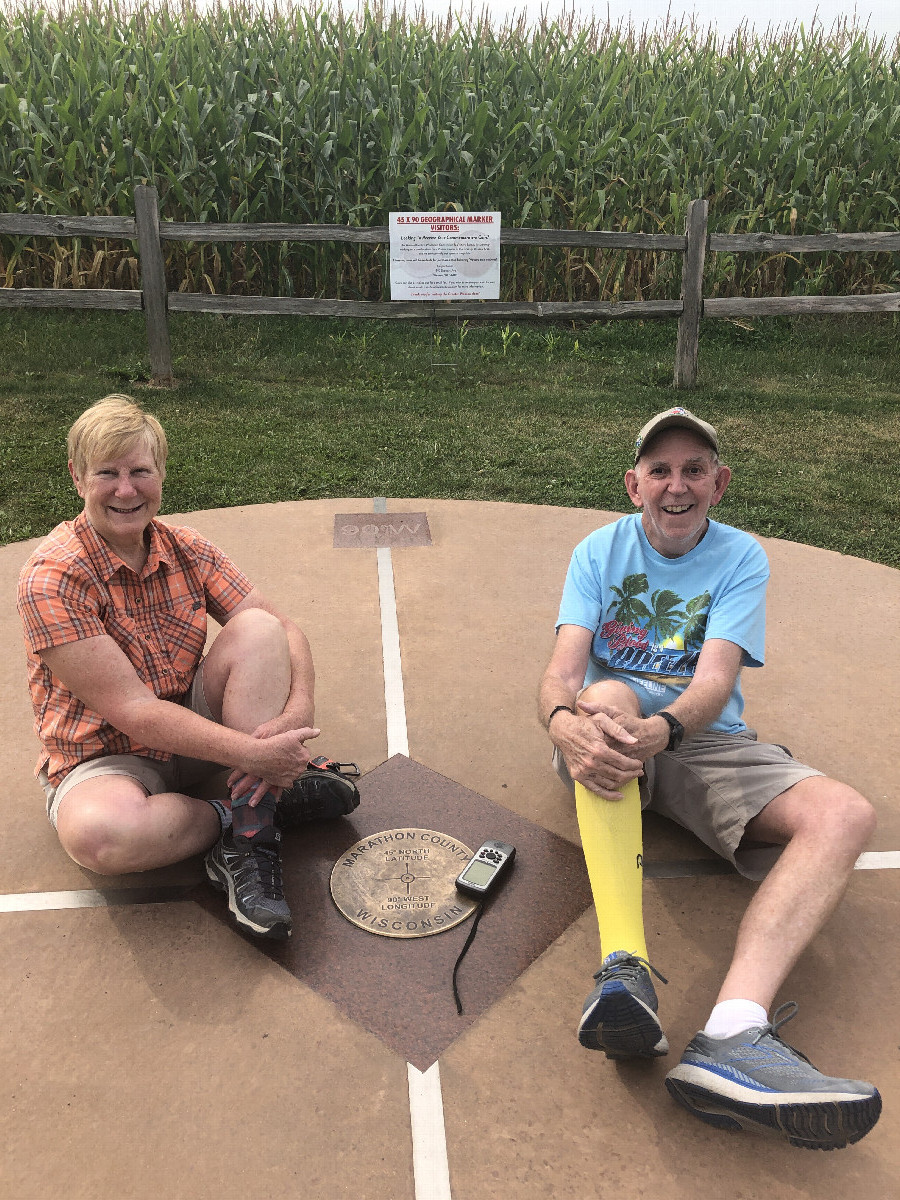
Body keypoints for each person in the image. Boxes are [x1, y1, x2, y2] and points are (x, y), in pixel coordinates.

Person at [538, 406, 881, 1150]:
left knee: (846, 815)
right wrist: (564, 726)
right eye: (659, 470)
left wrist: (665, 732)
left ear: (719, 484)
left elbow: (714, 682)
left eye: (695, 469)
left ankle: (732, 1035)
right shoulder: (597, 551)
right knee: (601, 700)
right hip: (610, 737)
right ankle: (623, 969)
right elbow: (563, 674)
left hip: (697, 738)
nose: (676, 484)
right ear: (633, 485)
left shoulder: (741, 558)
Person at [18, 394, 360, 941]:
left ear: (161, 474)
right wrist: (256, 755)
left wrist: (299, 713)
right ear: (77, 477)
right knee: (100, 838)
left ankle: (251, 836)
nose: (126, 490)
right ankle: (249, 807)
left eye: (140, 471)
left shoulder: (187, 547)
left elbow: (285, 628)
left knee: (259, 629)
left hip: (195, 733)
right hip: (108, 755)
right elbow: (134, 713)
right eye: (107, 473)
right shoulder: (52, 579)